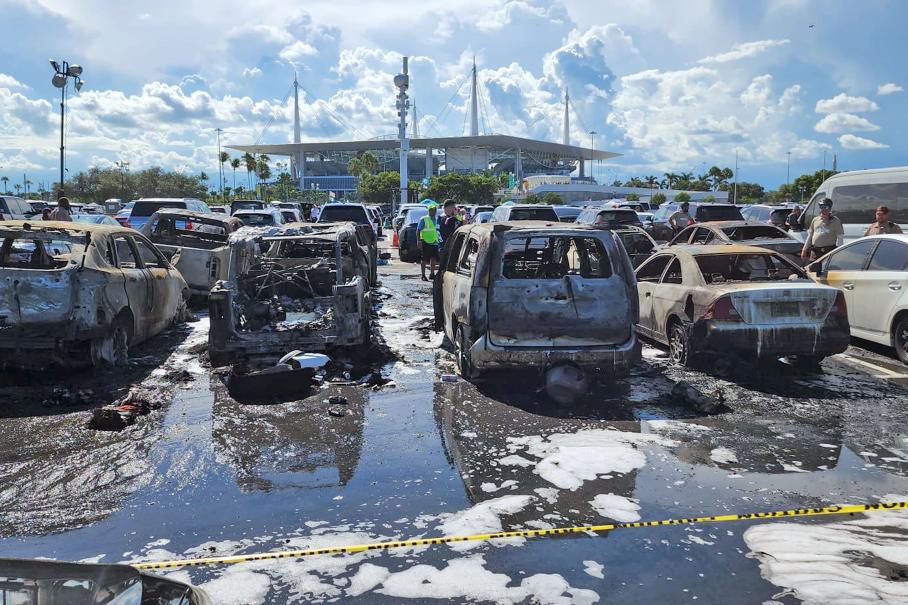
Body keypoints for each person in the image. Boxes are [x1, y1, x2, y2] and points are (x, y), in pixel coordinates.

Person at [418, 202, 440, 281]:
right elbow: (418, 230)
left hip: (434, 241)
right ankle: (423, 275)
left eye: (434, 210)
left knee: (433, 258)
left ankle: (432, 273)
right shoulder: (424, 219)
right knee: (424, 259)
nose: (433, 211)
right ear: (429, 210)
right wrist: (419, 240)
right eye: (431, 210)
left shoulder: (437, 219)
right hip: (425, 241)